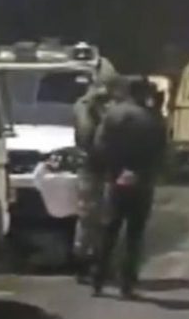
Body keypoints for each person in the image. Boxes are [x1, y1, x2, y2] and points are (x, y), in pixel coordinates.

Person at [91, 78, 168, 299]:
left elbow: (99, 144)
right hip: (142, 181)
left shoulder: (113, 115)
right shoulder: (153, 119)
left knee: (108, 231)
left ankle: (98, 279)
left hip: (115, 179)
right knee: (134, 235)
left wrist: (113, 170)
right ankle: (127, 284)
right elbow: (161, 151)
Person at [71, 77, 121, 281]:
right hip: (94, 167)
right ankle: (88, 262)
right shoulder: (87, 108)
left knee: (97, 217)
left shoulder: (90, 107)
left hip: (99, 168)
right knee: (93, 217)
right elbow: (86, 135)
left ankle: (93, 262)